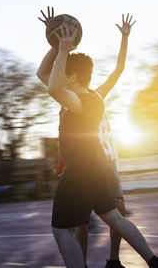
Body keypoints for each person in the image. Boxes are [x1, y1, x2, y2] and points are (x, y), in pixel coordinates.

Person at [36, 7, 158, 268]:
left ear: (72, 76)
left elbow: (51, 84)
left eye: (64, 73)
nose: (59, 74)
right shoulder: (96, 95)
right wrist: (124, 38)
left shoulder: (75, 101)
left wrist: (63, 48)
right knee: (115, 219)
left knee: (61, 230)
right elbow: (117, 69)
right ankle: (155, 262)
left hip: (79, 171)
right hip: (98, 167)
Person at [56, 113, 126, 268]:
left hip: (108, 158)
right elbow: (65, 132)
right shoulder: (67, 98)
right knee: (82, 218)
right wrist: (62, 159)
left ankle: (114, 261)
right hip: (84, 161)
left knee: (120, 210)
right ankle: (82, 263)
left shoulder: (95, 95)